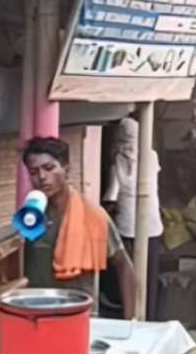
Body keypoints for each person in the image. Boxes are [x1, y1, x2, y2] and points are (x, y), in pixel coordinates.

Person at [21, 136, 137, 317]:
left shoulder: (92, 216)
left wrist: (132, 321)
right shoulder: (31, 215)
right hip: (35, 315)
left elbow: (123, 265)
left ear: (66, 170)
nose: (42, 177)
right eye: (34, 172)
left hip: (79, 317)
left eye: (49, 168)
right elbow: (19, 265)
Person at [104, 116, 163, 320]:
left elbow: (111, 196)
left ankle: (130, 316)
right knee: (149, 277)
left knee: (128, 276)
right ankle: (150, 317)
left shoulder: (119, 161)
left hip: (127, 226)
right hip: (152, 224)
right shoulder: (151, 155)